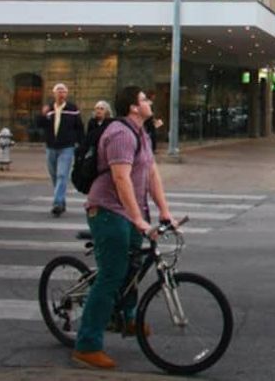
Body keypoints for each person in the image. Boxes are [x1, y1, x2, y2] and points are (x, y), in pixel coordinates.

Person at [71, 85, 177, 371]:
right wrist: (140, 221)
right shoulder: (119, 134)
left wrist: (164, 213)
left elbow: (151, 174)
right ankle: (87, 345)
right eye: (144, 99)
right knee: (111, 275)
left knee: (133, 266)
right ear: (133, 106)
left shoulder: (141, 132)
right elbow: (121, 180)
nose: (149, 102)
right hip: (107, 211)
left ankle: (128, 318)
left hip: (129, 212)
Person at [36, 83, 85, 217]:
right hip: (51, 147)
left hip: (66, 147)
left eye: (63, 91)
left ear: (66, 94)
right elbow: (39, 125)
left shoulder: (72, 109)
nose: (61, 93)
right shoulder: (50, 109)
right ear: (54, 94)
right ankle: (61, 201)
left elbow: (79, 128)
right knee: (54, 175)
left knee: (62, 175)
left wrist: (81, 145)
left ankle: (57, 203)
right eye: (58, 91)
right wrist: (43, 114)